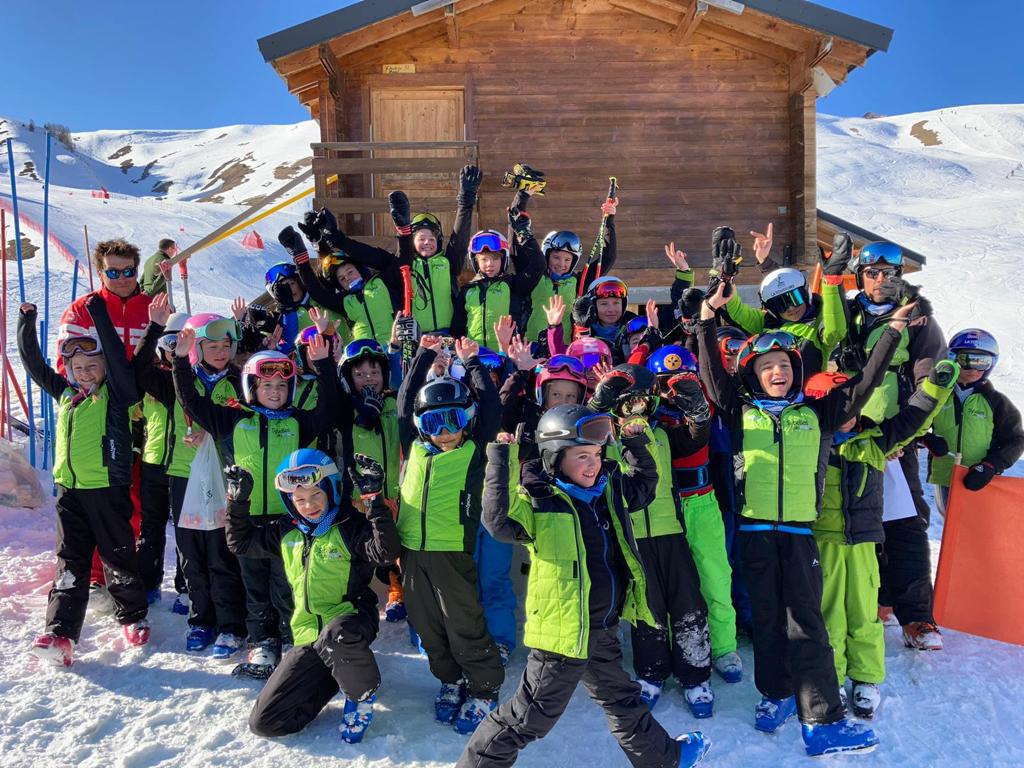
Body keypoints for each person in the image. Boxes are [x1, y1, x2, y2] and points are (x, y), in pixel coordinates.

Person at [695, 281, 921, 756]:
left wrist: (893, 332)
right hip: (755, 536)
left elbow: (864, 386)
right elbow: (714, 378)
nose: (775, 371)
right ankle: (775, 695)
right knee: (769, 622)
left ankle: (821, 721)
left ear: (796, 371)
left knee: (808, 625)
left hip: (800, 536)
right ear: (752, 375)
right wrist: (706, 319)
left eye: (783, 365)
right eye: (765, 366)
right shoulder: (740, 411)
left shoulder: (818, 413)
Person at [457, 404, 710, 768]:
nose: (592, 464)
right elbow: (498, 521)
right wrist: (501, 458)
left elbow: (645, 485)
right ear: (554, 459)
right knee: (527, 719)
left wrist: (635, 440)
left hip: (600, 629)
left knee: (622, 699)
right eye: (581, 457)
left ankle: (664, 758)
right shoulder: (540, 503)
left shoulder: (609, 492)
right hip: (562, 638)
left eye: (595, 454)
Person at [172, 326, 337, 676]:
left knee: (285, 583)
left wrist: (323, 365)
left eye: (281, 386)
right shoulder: (232, 420)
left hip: (287, 521)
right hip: (245, 520)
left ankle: (289, 636)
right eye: (266, 386)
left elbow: (327, 408)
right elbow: (191, 400)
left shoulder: (297, 422)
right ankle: (261, 642)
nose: (274, 392)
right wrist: (180, 362)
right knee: (254, 585)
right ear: (252, 388)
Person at [804, 360, 958, 719]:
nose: (846, 413)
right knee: (829, 615)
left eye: (852, 405)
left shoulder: (872, 443)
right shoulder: (809, 445)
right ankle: (835, 676)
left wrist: (935, 386)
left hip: (861, 546)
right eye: (835, 405)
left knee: (863, 613)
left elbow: (911, 420)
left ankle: (866, 677)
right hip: (823, 544)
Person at [225, 449, 399, 743]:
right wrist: (238, 502)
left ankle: (361, 694)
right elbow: (240, 543)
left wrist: (373, 501)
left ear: (330, 489)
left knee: (336, 635)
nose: (309, 505)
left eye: (316, 495)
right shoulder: (286, 531)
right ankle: (335, 675)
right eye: (299, 499)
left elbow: (385, 551)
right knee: (265, 722)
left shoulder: (348, 525)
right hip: (308, 637)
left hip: (350, 621)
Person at [19, 296, 150, 667]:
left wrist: (98, 315)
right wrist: (27, 322)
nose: (86, 372)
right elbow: (34, 366)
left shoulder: (117, 397)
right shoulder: (66, 396)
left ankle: (133, 614)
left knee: (116, 553)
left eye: (92, 366)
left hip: (107, 490)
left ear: (104, 368)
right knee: (70, 560)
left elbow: (119, 361)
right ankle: (60, 631)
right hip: (69, 492)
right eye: (78, 367)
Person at [834, 240, 949, 651]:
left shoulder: (919, 321)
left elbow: (929, 382)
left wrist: (911, 435)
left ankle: (917, 616)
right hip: (847, 435)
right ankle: (876, 601)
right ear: (860, 276)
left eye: (889, 273)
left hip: (894, 440)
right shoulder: (846, 312)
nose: (881, 281)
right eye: (872, 273)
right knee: (855, 523)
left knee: (906, 527)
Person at [587, 363, 716, 718]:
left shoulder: (664, 434)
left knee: (688, 604)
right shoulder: (602, 440)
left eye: (642, 402)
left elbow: (698, 434)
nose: (635, 410)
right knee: (647, 608)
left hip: (671, 533)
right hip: (630, 539)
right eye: (627, 403)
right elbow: (579, 435)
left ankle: (695, 676)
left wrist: (697, 408)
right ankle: (651, 673)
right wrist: (597, 404)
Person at [395, 336, 505, 735]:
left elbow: (492, 409)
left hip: (451, 553)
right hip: (410, 553)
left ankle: (483, 687)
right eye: (433, 423)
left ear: (467, 421)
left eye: (452, 421)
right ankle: (450, 680)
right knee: (427, 625)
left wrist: (472, 363)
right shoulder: (415, 448)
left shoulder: (473, 452)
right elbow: (404, 405)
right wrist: (422, 357)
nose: (443, 433)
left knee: (463, 623)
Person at [134, 301, 248, 657]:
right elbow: (136, 372)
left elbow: (248, 422)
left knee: (221, 553)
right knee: (191, 554)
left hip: (225, 477)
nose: (220, 352)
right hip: (184, 477)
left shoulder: (239, 382)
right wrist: (155, 328)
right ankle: (201, 619)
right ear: (196, 349)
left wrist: (212, 436)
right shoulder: (176, 381)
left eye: (226, 346)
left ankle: (230, 624)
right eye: (212, 346)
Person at [645, 346, 742, 685]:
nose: (672, 391)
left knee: (715, 575)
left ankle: (724, 645)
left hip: (701, 501)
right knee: (675, 584)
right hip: (664, 509)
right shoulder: (648, 419)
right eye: (664, 384)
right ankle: (678, 648)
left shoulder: (705, 412)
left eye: (681, 382)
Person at [928, 329, 1024, 513]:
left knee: (974, 527)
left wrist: (990, 465)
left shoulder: (996, 402)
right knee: (950, 528)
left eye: (981, 362)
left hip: (979, 477)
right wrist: (925, 439)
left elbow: (1016, 440)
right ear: (953, 358)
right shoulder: (937, 394)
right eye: (966, 360)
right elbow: (913, 425)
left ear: (991, 364)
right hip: (945, 476)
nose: (973, 369)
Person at [451, 217, 545, 350]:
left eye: (495, 258)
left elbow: (539, 265)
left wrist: (525, 235)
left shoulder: (514, 286)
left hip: (506, 356)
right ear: (475, 261)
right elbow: (457, 328)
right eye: (484, 259)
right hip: (474, 356)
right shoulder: (467, 290)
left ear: (504, 259)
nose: (490, 264)